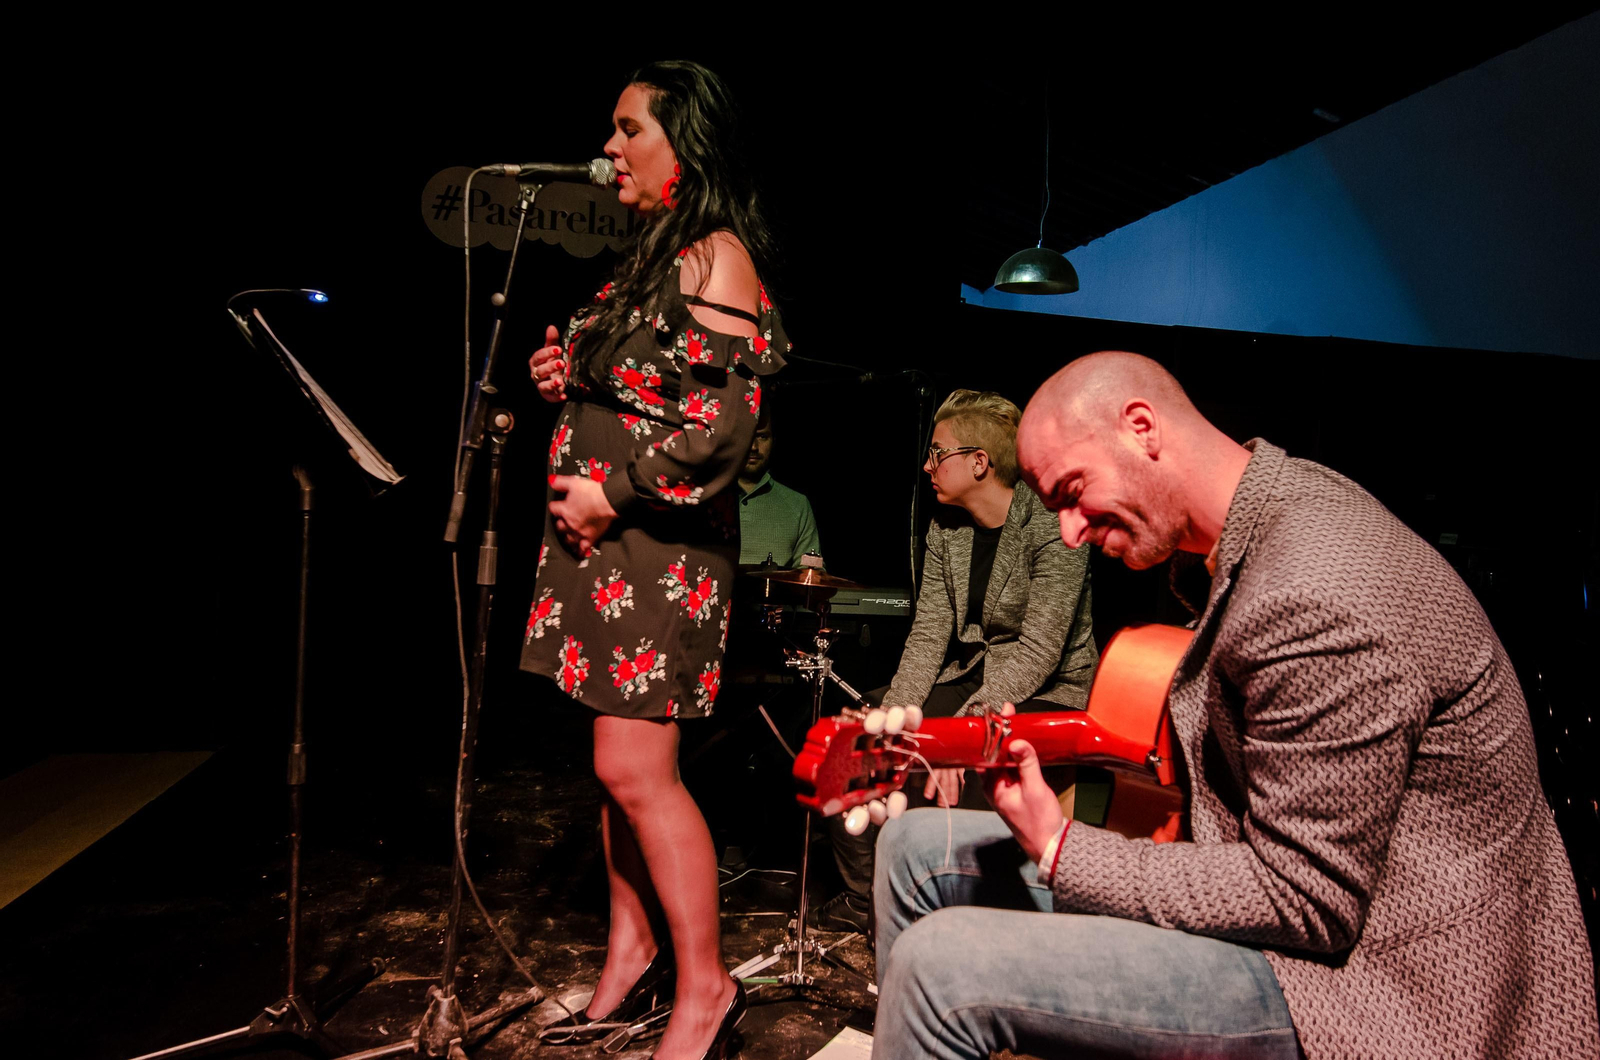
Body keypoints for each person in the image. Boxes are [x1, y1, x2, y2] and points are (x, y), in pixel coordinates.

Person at [872, 352, 1597, 1060]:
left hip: (1383, 987)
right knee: (913, 850)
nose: (1069, 533)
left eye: (1072, 491)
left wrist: (1062, 847)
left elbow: (1306, 900)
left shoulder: (1315, 590)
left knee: (946, 972)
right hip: (1298, 917)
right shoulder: (1268, 505)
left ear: (1141, 428)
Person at [520, 61, 788, 1060]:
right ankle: (630, 956)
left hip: (656, 550)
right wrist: (568, 377)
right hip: (607, 552)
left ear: (687, 144)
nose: (612, 149)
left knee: (639, 768)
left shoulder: (718, 255)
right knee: (612, 766)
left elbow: (724, 424)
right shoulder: (649, 258)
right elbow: (646, 388)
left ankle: (707, 989)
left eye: (631, 129)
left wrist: (612, 490)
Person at [812, 389, 1096, 934]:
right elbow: (928, 637)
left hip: (1047, 688)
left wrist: (966, 729)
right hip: (970, 676)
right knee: (853, 739)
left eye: (938, 452)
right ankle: (866, 901)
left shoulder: (1051, 524)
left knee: (973, 764)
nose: (928, 465)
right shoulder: (946, 530)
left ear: (979, 462)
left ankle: (954, 920)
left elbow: (1040, 648)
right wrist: (892, 715)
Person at [735, 403, 820, 568]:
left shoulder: (798, 504)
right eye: (747, 436)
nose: (753, 447)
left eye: (762, 437)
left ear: (774, 441)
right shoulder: (708, 497)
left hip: (774, 594)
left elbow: (811, 575)